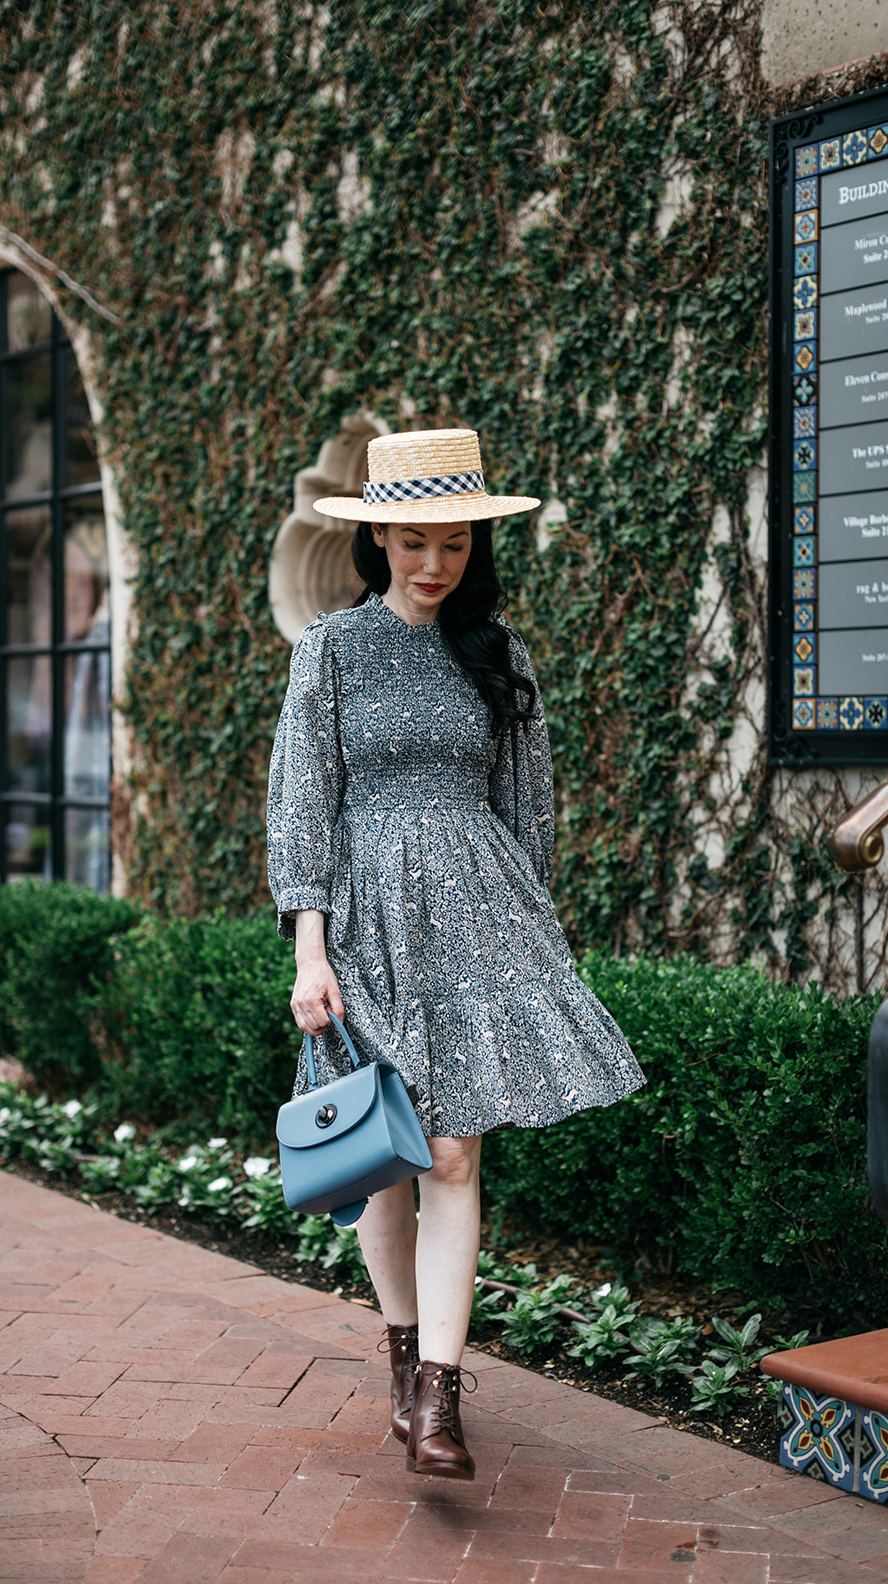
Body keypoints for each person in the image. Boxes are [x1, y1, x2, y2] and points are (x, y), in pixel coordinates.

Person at [267, 428, 645, 1480]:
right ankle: (400, 1360)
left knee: (453, 1153)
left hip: (478, 922)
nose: (434, 564)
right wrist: (310, 950)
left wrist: (522, 928)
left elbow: (530, 807)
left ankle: (437, 1397)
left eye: (454, 545)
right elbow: (305, 803)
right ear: (379, 534)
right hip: (364, 925)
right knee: (386, 1160)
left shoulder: (499, 651)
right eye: (415, 541)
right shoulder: (332, 650)